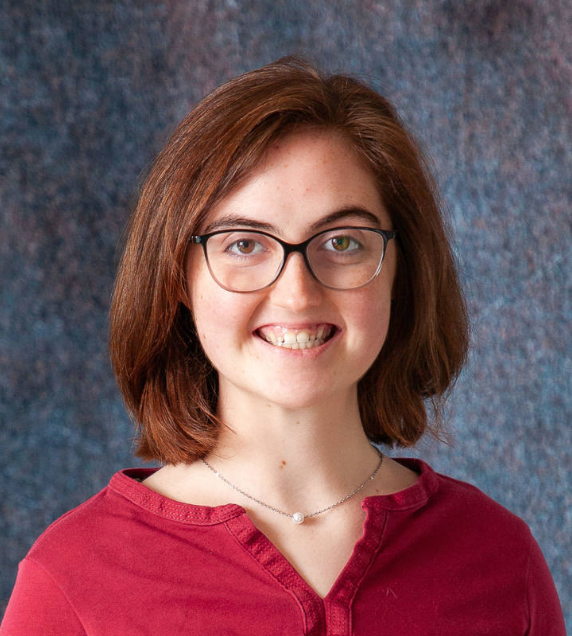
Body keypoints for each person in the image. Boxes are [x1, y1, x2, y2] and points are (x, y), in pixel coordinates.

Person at [1, 57, 565, 635]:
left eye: (343, 241)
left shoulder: (500, 558)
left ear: (403, 271)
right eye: (244, 244)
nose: (297, 295)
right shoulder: (72, 578)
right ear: (178, 280)